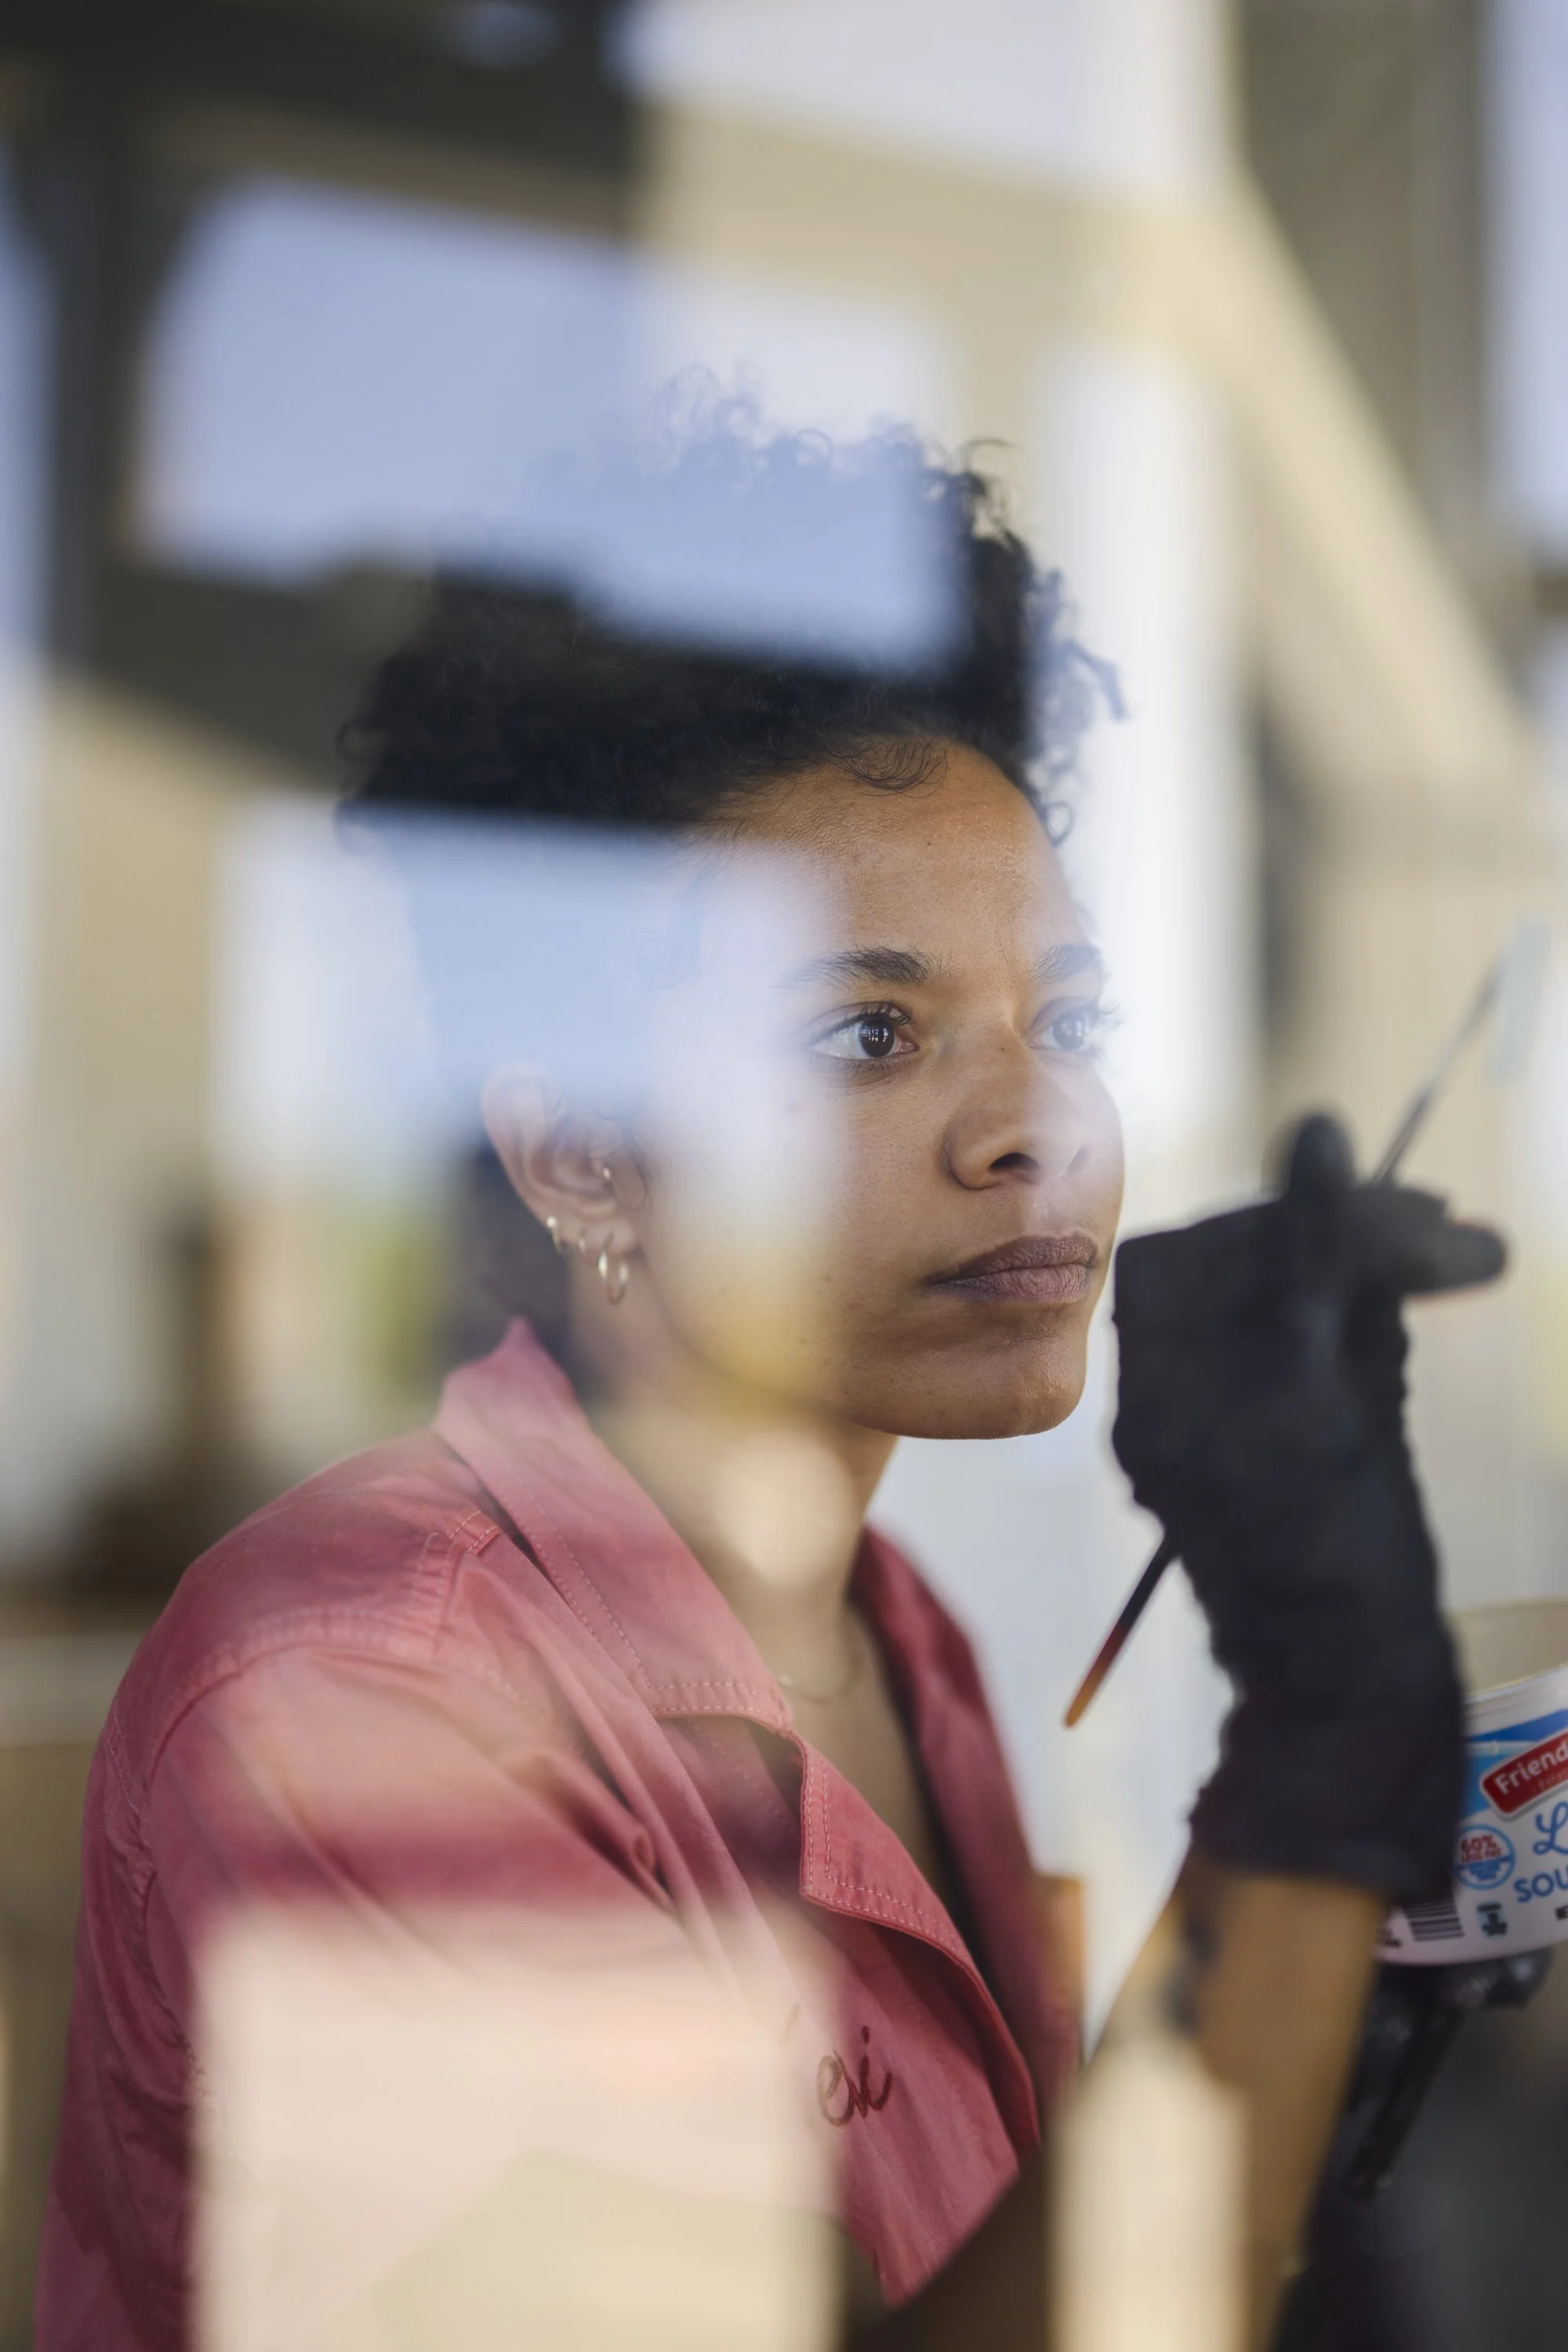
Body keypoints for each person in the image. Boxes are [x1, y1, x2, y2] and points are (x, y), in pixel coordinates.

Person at [35, 419, 1502, 2350]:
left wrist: (1344, 1965)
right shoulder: (354, 1694)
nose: (1033, 1130)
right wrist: (1306, 1789)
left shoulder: (907, 1648)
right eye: (869, 1031)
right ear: (578, 1156)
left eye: (1068, 1019)